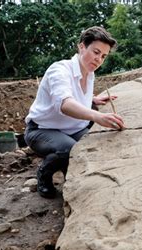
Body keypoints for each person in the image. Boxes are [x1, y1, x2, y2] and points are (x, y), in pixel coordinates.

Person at [24, 26, 125, 198]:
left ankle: (69, 174)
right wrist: (97, 115)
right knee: (69, 149)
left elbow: (74, 93)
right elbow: (64, 103)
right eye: (96, 52)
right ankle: (44, 175)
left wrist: (92, 99)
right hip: (42, 130)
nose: (98, 59)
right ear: (81, 47)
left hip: (73, 129)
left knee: (93, 147)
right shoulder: (60, 70)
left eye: (103, 56)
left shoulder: (89, 72)